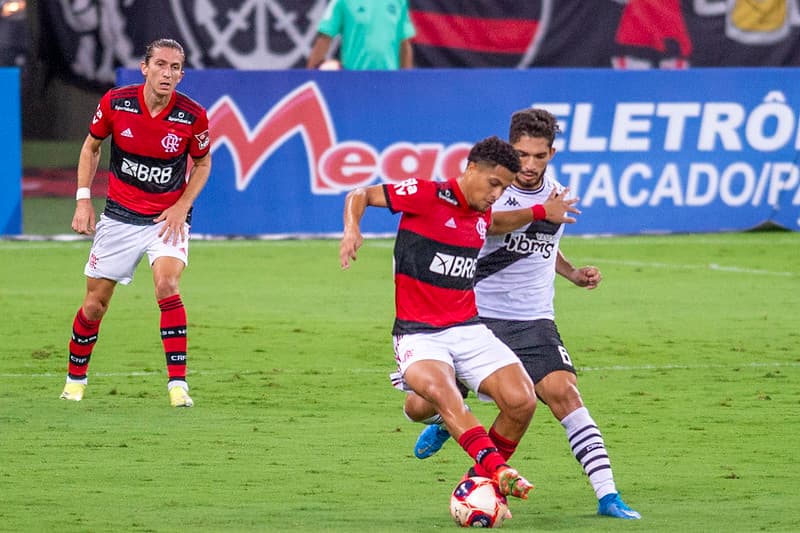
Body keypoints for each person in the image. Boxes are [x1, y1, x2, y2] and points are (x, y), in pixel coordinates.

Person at [406, 109, 642, 519]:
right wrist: (540, 213)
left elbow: (543, 246)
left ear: (552, 153)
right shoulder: (493, 188)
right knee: (417, 408)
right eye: (522, 155)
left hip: (533, 321)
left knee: (564, 393)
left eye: (539, 156)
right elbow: (488, 224)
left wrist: (572, 273)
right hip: (473, 318)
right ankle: (447, 419)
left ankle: (607, 494)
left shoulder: (557, 195)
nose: (530, 165)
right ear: (510, 149)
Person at [340, 136, 581, 502]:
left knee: (522, 400)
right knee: (441, 395)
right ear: (471, 170)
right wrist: (352, 229)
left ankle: (478, 482)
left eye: (504, 188)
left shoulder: (483, 212)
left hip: (469, 328)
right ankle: (499, 471)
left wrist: (539, 212)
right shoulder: (425, 195)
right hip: (419, 334)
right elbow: (360, 194)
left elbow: (498, 222)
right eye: (494, 183)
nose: (497, 194)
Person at [59, 38, 212, 408]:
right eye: (160, 64)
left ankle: (178, 385)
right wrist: (83, 200)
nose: (167, 73)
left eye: (175, 67)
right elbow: (91, 147)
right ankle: (75, 380)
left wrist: (182, 205)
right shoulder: (116, 103)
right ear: (145, 68)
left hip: (166, 219)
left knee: (167, 285)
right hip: (120, 217)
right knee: (95, 304)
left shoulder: (192, 116)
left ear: (181, 75)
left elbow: (203, 163)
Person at [306, 0, 415, 70]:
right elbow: (324, 39)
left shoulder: (399, 1)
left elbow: (404, 43)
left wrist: (406, 81)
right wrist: (309, 79)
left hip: (390, 82)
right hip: (353, 81)